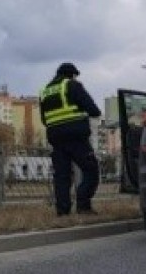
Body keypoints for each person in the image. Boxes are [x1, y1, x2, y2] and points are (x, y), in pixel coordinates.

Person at [39, 62, 102, 216]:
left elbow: (44, 119)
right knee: (91, 170)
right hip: (76, 137)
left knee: (62, 176)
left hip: (56, 138)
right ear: (72, 74)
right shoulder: (72, 85)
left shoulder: (45, 91)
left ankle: (62, 210)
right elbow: (94, 110)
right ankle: (83, 205)